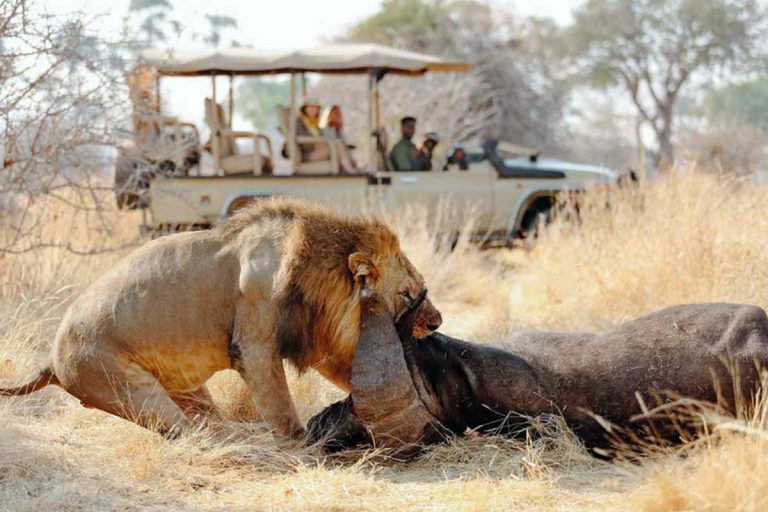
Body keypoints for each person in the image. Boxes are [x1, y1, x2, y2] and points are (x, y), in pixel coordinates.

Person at [320, 105, 358, 173]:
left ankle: (352, 167)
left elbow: (344, 142)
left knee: (347, 149)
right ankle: (349, 170)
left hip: (341, 153)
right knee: (340, 146)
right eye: (335, 114)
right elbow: (330, 142)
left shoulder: (339, 130)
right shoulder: (326, 129)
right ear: (329, 116)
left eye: (339, 115)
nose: (337, 117)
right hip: (331, 151)